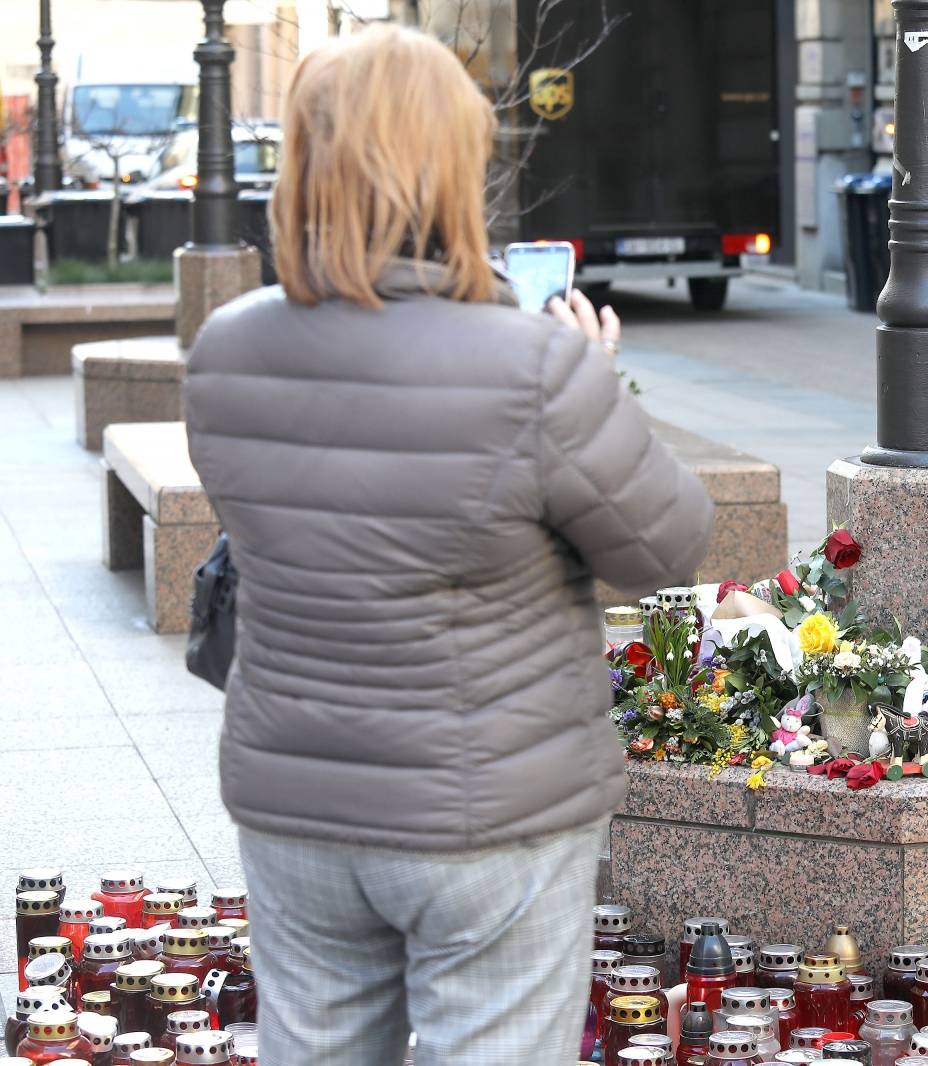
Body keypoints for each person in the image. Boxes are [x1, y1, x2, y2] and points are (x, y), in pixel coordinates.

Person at [183, 26, 714, 1065]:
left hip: (298, 798)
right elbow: (668, 547)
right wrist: (592, 383)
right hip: (491, 808)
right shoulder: (530, 370)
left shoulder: (226, 349)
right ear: (449, 169)